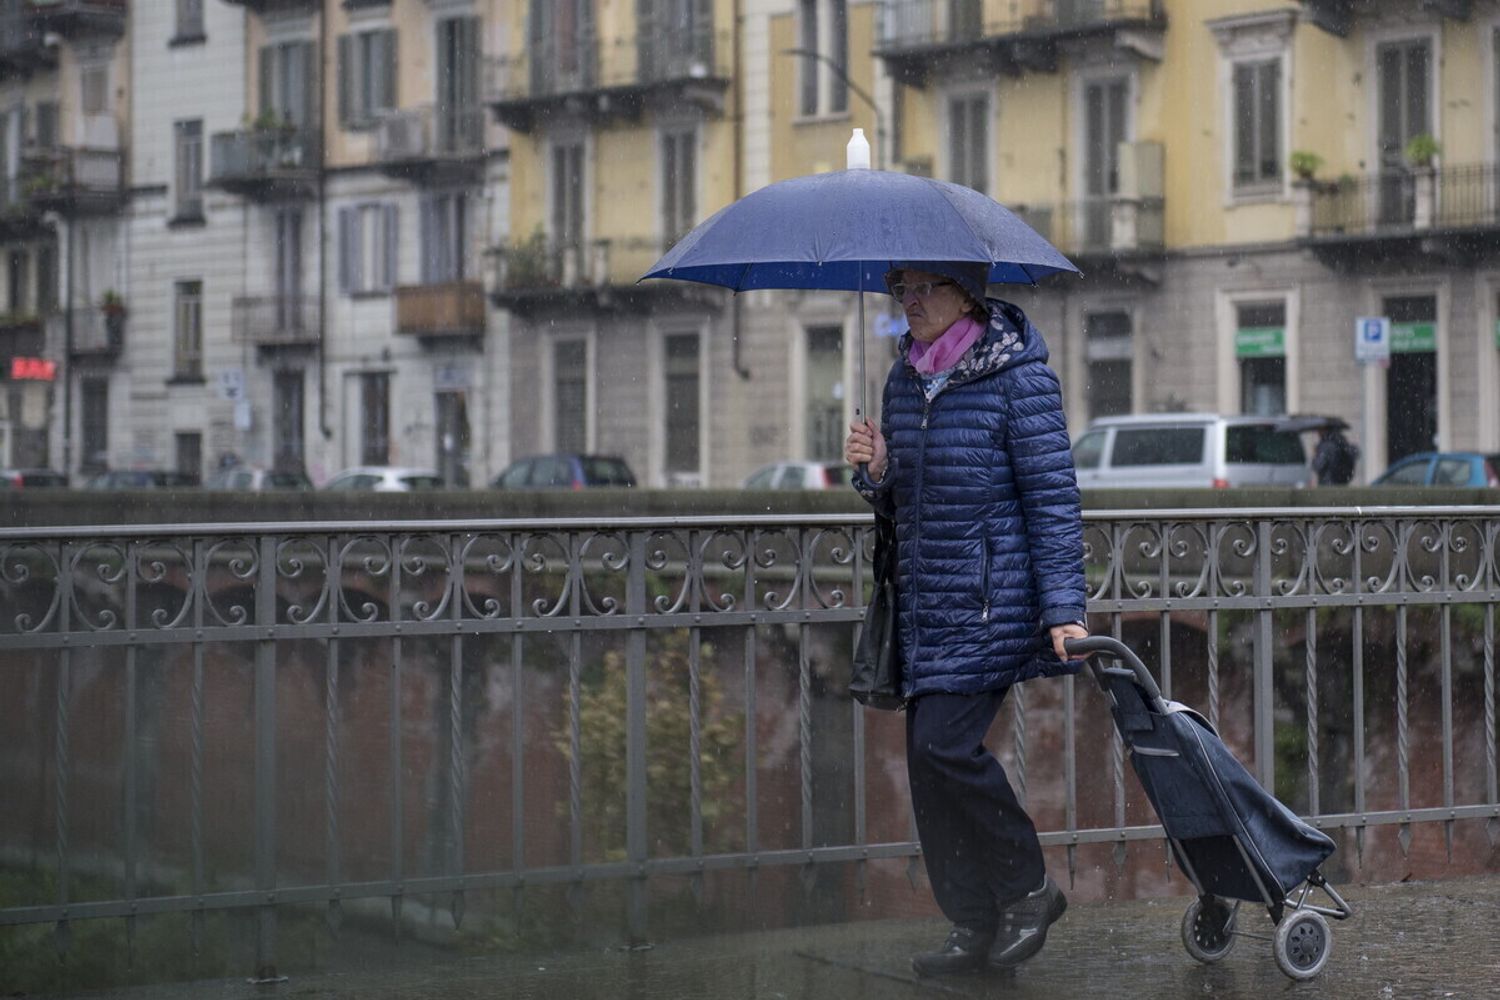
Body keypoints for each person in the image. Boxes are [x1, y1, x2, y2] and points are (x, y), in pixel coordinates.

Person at [844, 261, 1089, 977]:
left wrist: (1064, 609)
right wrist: (879, 472)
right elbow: (901, 506)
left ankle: (1028, 888)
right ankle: (973, 923)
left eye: (924, 290)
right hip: (926, 603)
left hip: (993, 601)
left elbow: (1052, 499)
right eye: (901, 292)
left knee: (947, 748)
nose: (909, 304)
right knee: (925, 763)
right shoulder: (903, 380)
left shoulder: (1020, 378)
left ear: (967, 296)